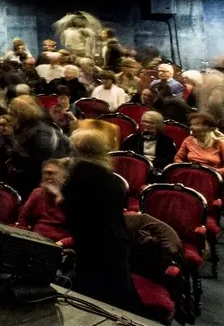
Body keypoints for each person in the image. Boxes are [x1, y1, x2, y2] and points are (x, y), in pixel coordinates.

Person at [62, 129, 141, 311]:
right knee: (117, 289)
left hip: (95, 242)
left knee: (97, 296)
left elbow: (72, 207)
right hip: (113, 239)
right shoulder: (107, 173)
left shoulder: (81, 172)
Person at [0, 96, 70, 195]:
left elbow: (41, 161)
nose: (9, 117)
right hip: (28, 173)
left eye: (11, 114)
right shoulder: (24, 127)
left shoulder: (42, 131)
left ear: (19, 115)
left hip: (39, 178)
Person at [17, 158, 71, 240]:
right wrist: (25, 237)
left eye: (51, 173)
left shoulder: (73, 196)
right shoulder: (38, 193)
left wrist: (59, 197)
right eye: (45, 173)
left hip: (61, 243)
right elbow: (23, 218)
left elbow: (80, 231)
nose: (47, 177)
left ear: (64, 177)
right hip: (36, 239)